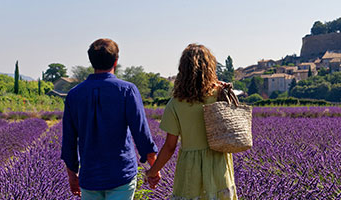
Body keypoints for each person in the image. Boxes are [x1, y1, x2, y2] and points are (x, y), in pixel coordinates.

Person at [61, 38, 158, 200]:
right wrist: (153, 168)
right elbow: (141, 133)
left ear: (91, 61)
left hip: (90, 176)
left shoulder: (74, 95)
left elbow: (69, 140)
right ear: (116, 61)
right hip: (121, 174)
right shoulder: (127, 90)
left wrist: (72, 174)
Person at [146, 44, 237, 199]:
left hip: (190, 171)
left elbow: (169, 147)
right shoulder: (222, 95)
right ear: (210, 67)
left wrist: (152, 172)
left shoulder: (175, 103)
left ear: (183, 70)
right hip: (219, 167)